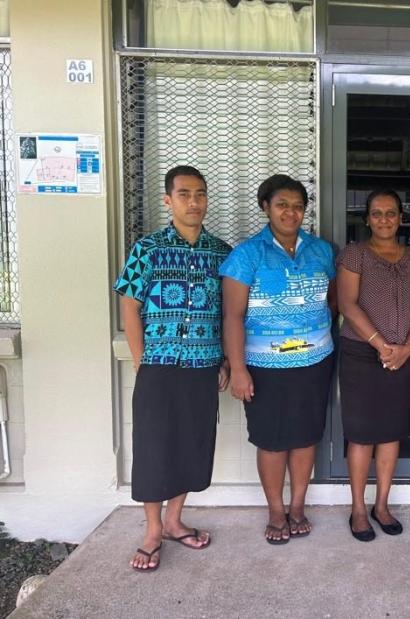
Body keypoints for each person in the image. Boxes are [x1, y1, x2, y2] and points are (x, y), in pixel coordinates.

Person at [114, 165, 232, 572]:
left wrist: (225, 360)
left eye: (200, 193)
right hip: (159, 365)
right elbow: (128, 302)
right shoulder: (147, 249)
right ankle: (150, 530)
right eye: (184, 194)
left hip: (203, 364)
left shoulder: (222, 252)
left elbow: (230, 312)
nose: (194, 201)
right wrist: (140, 356)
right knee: (153, 446)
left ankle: (174, 520)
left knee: (192, 442)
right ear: (168, 200)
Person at [221, 174, 336, 545]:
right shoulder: (246, 255)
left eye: (298, 206)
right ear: (266, 207)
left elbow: (331, 302)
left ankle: (298, 505)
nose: (291, 212)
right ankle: (275, 510)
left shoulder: (321, 251)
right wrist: (238, 368)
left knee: (305, 438)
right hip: (263, 367)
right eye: (282, 204)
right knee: (272, 441)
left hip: (315, 362)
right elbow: (233, 316)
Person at [337, 189, 410, 541]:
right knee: (361, 434)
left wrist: (407, 347)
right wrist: (380, 344)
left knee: (391, 433)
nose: (384, 220)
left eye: (391, 213)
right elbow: (347, 303)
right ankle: (359, 508)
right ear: (367, 219)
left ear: (401, 217)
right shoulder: (355, 255)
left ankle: (382, 505)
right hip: (361, 354)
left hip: (402, 356)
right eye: (377, 214)